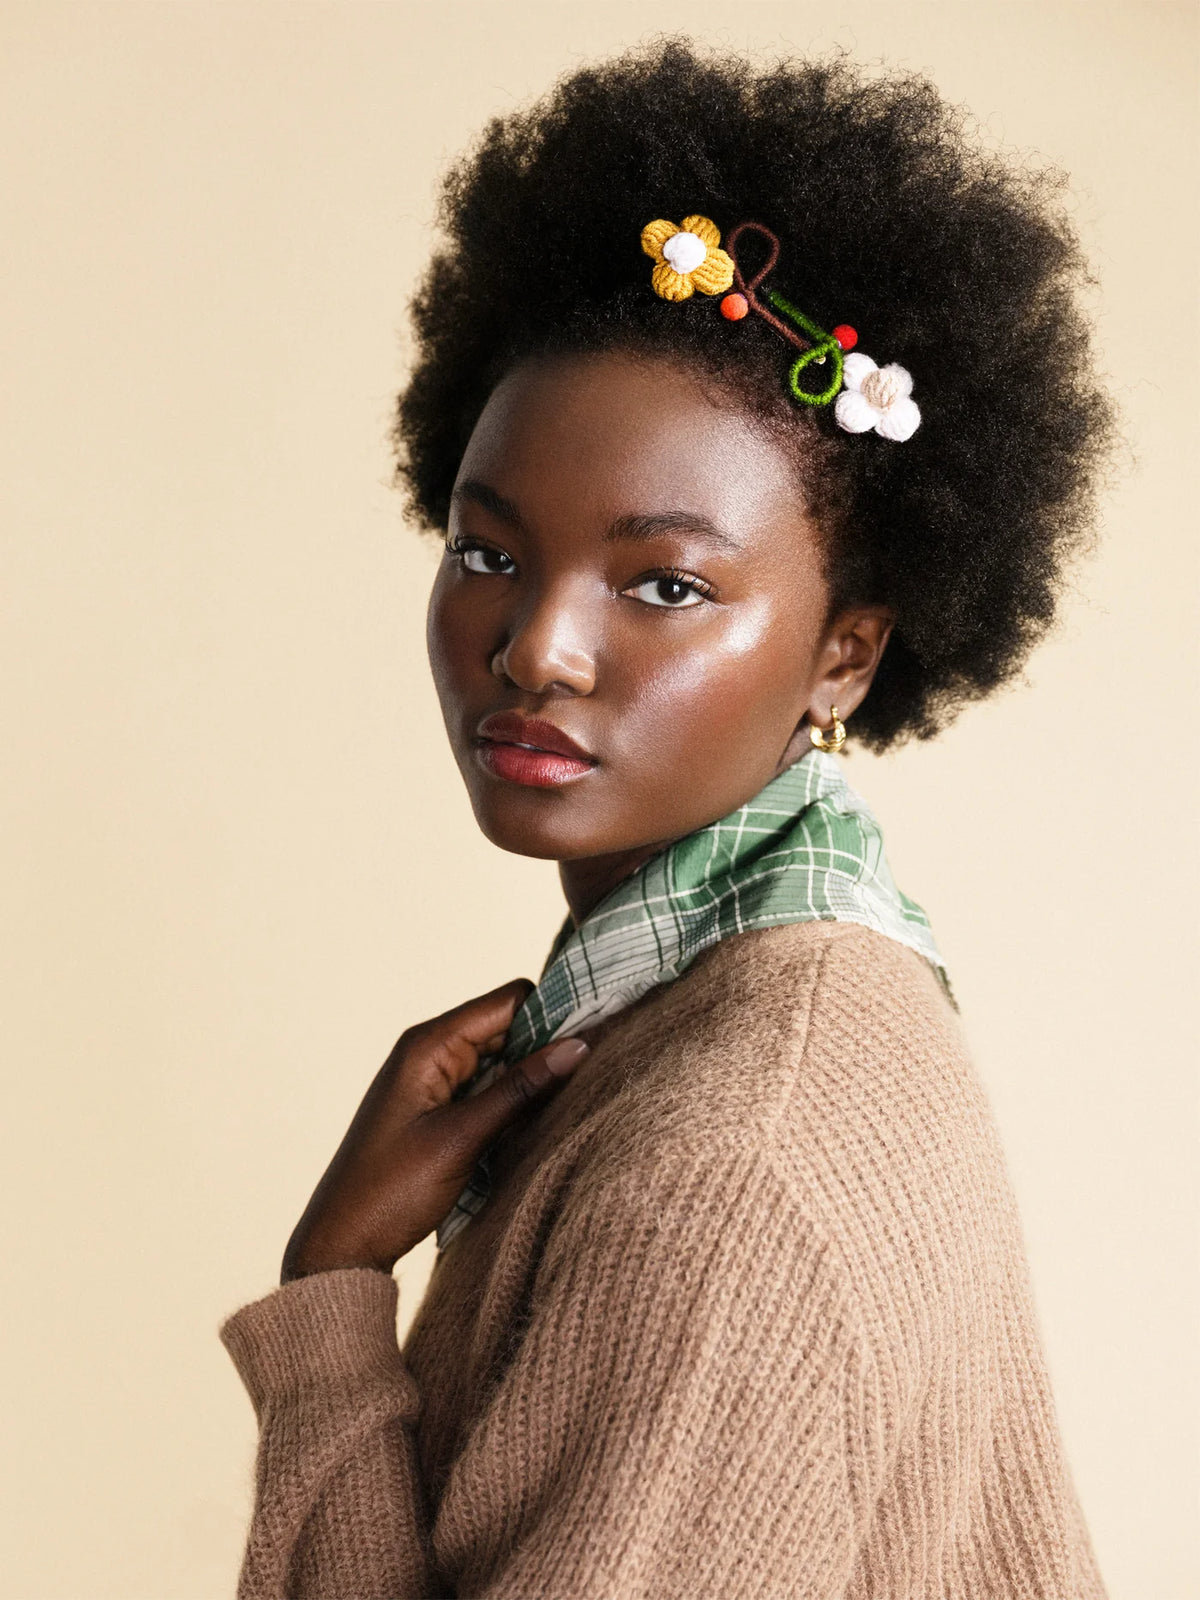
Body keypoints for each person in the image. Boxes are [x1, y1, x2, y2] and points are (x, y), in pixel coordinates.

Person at [218, 40, 1114, 1599]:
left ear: (847, 649)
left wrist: (334, 1305)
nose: (535, 647)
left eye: (665, 584)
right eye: (489, 551)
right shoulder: (764, 1012)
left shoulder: (730, 1169)